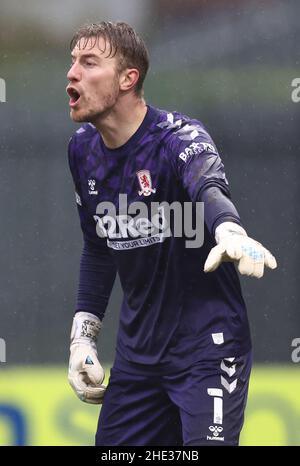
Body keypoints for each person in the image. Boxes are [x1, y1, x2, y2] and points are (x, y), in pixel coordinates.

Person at [66, 21, 277, 446]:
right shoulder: (81, 150)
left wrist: (229, 229)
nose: (72, 73)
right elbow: (98, 247)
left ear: (129, 78)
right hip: (137, 360)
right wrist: (82, 337)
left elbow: (208, 187)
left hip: (208, 349)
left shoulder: (178, 138)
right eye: (72, 62)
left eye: (89, 63)